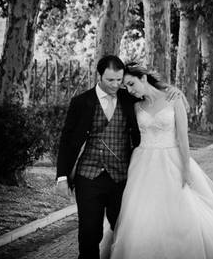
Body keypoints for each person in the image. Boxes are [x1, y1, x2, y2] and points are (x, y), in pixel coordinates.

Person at [105, 63, 213, 259]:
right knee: (143, 213)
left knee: (183, 209)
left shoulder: (173, 99)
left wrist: (185, 168)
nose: (130, 90)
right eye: (126, 87)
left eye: (131, 84)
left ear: (144, 78)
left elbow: (183, 139)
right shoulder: (134, 104)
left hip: (172, 160)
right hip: (142, 164)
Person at [55, 55, 180, 259]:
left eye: (119, 80)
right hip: (88, 176)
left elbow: (151, 91)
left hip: (122, 177)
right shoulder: (81, 102)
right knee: (89, 233)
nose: (115, 85)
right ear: (99, 76)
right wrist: (61, 176)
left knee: (124, 230)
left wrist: (172, 89)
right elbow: (67, 140)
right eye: (110, 80)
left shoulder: (128, 97)